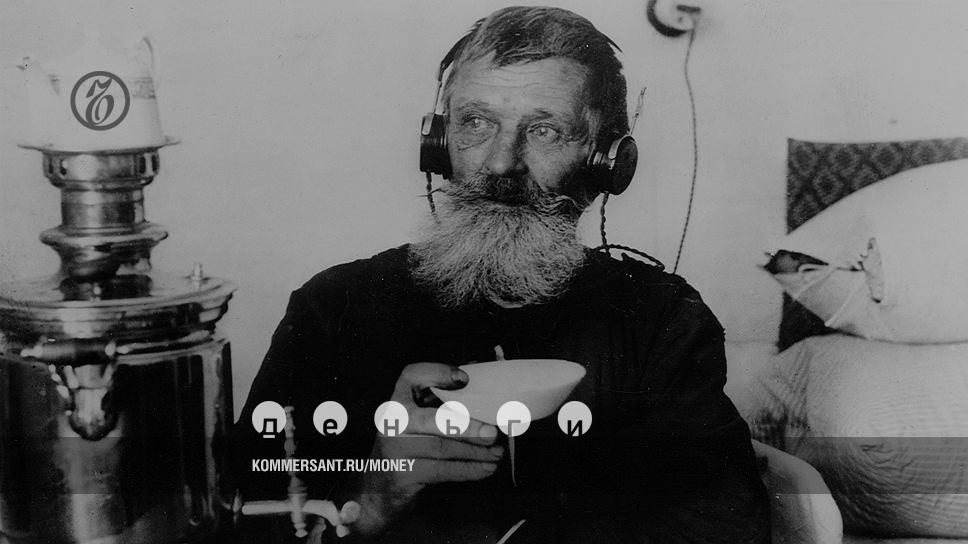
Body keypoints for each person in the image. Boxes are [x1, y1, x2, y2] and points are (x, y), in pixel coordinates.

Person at [227, 6, 771, 543]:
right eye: (477, 123)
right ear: (438, 144)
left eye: (546, 130)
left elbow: (723, 528)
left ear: (607, 162)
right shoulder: (334, 307)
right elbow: (239, 520)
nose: (501, 162)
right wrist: (371, 501)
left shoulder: (661, 320)